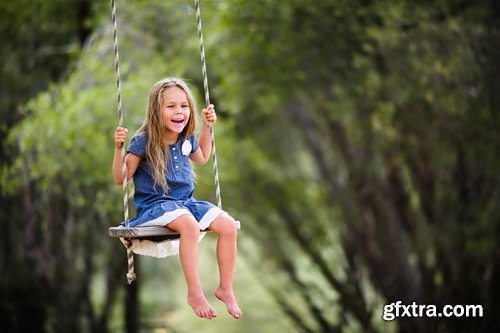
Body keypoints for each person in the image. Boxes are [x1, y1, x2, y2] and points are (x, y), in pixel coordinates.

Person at [112, 77, 241, 320]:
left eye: (183, 105)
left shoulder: (187, 139)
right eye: (171, 106)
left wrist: (207, 127)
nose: (179, 111)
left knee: (227, 225)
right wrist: (118, 149)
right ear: (156, 110)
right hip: (156, 205)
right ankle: (194, 292)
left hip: (186, 204)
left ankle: (225, 287)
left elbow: (202, 156)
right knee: (189, 225)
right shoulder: (143, 141)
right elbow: (121, 178)